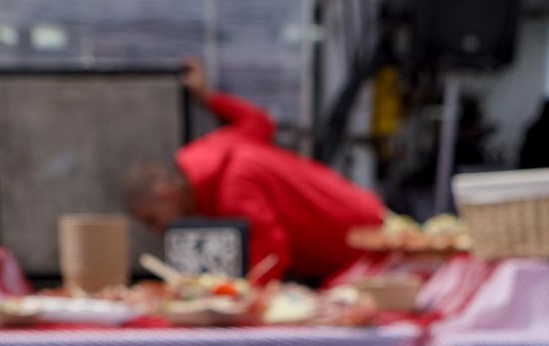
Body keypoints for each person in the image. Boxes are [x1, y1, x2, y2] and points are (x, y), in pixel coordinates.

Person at [126, 58, 385, 283]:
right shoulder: (220, 148)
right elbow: (259, 122)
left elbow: (271, 248)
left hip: (361, 246)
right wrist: (208, 97)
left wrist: (244, 303)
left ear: (163, 192)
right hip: (363, 214)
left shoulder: (232, 186)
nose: (157, 230)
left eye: (152, 219)